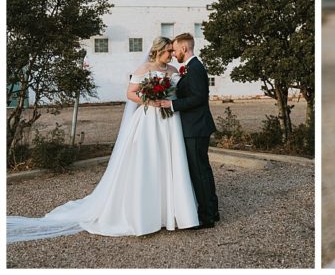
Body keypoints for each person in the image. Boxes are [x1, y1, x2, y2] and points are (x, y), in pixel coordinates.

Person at [7, 37, 200, 242]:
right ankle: (146, 214)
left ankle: (171, 212)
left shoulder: (172, 71)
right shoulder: (144, 69)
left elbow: (179, 94)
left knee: (170, 162)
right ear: (158, 51)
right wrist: (150, 100)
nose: (171, 54)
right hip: (149, 121)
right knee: (148, 162)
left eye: (172, 51)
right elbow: (131, 93)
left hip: (170, 122)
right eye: (168, 51)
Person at [163, 32, 220, 229]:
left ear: (184, 49)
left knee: (199, 172)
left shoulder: (194, 68)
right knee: (202, 170)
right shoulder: (191, 67)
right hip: (195, 126)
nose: (174, 53)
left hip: (196, 127)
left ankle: (207, 217)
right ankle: (212, 210)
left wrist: (170, 105)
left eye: (176, 49)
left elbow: (198, 98)